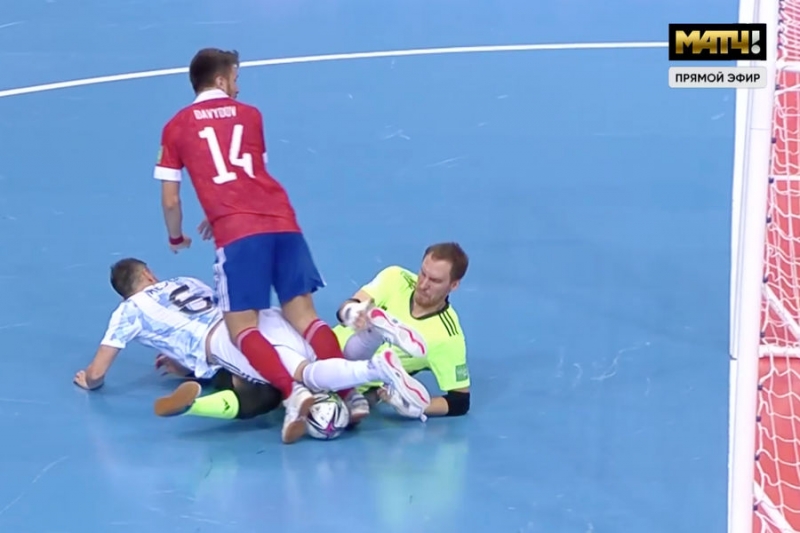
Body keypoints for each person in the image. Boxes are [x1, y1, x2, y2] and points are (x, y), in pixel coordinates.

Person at [151, 47, 353, 437]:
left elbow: (171, 200)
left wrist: (177, 236)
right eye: (235, 78)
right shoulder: (251, 115)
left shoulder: (175, 126)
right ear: (221, 80)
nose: (238, 87)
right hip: (283, 222)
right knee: (307, 318)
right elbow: (250, 176)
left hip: (239, 234)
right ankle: (350, 394)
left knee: (242, 328)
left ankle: (293, 393)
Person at [73, 258, 431, 442]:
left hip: (229, 340)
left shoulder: (128, 310)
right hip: (264, 315)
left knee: (298, 378)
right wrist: (184, 364)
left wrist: (88, 380)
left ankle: (374, 368)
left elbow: (99, 371)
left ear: (124, 292)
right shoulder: (183, 281)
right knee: (317, 351)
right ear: (149, 274)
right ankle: (368, 343)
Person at [334, 242, 471, 419]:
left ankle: (377, 341)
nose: (423, 284)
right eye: (423, 273)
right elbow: (348, 306)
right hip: (322, 348)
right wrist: (353, 312)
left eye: (435, 280)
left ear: (454, 285)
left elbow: (460, 402)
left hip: (344, 389)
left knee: (323, 417)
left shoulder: (447, 337)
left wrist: (417, 406)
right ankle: (376, 333)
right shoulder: (396, 278)